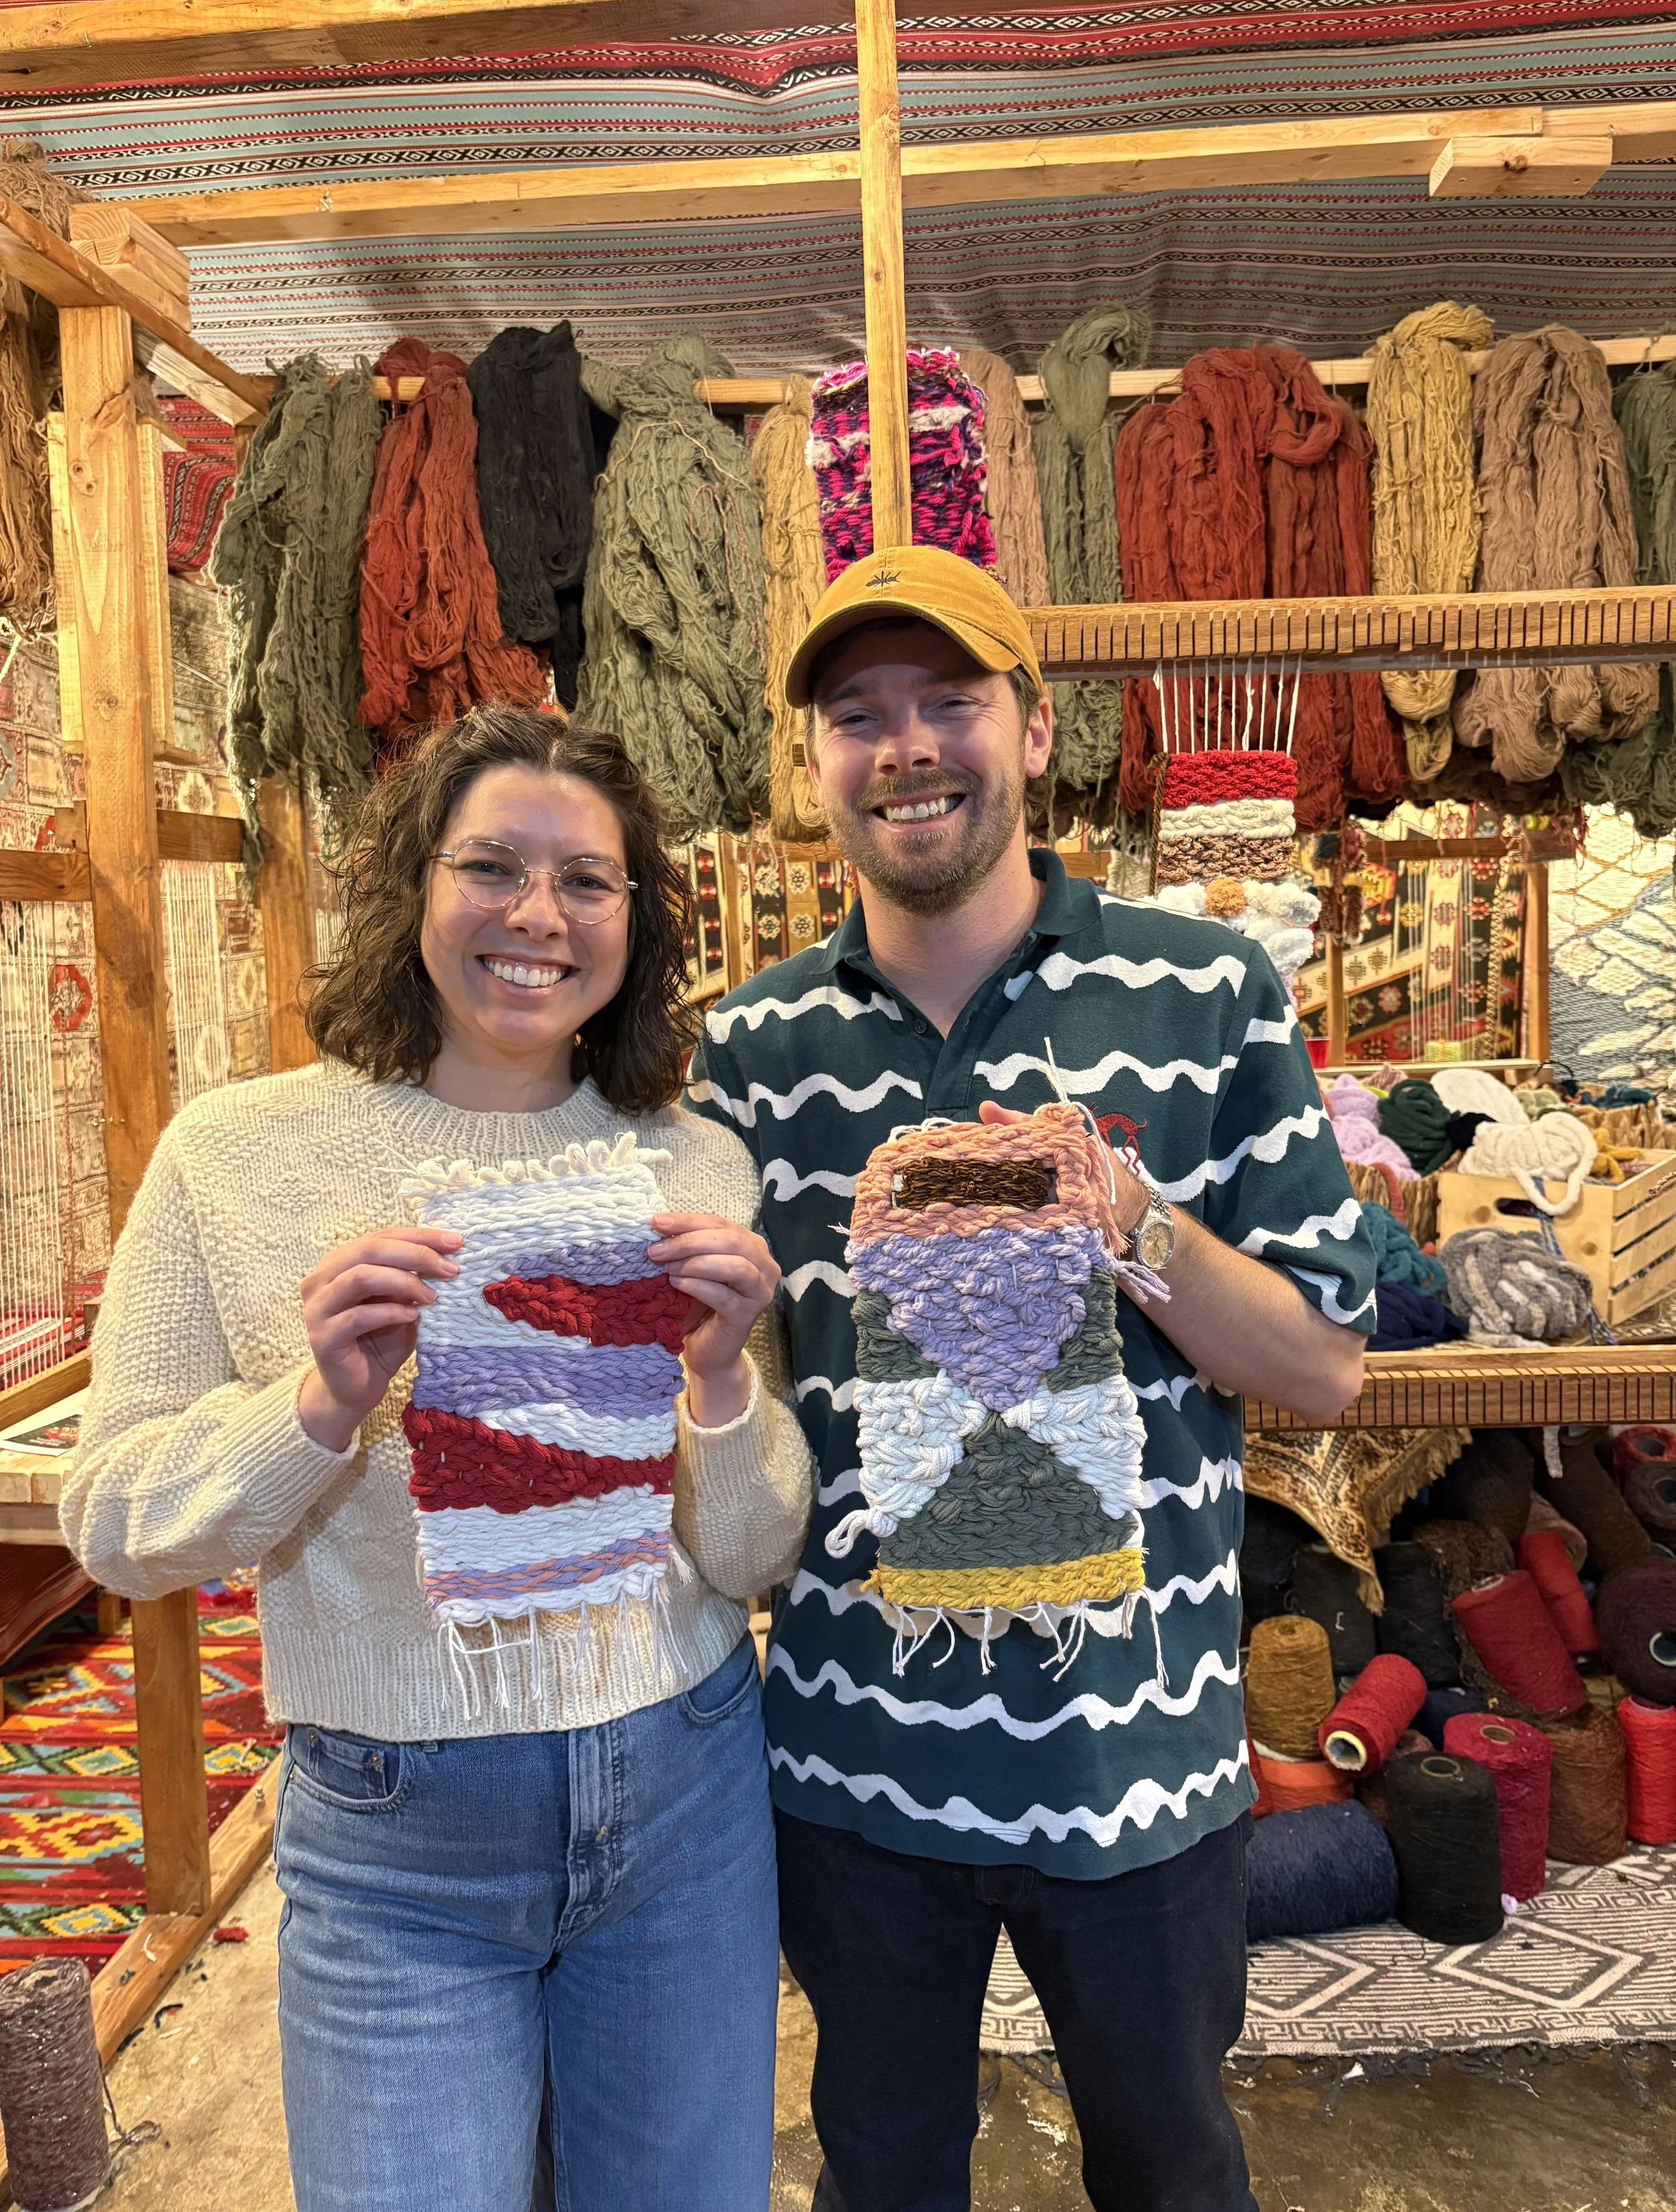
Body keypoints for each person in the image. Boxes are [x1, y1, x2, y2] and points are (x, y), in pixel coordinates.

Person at [687, 547, 1374, 2212]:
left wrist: (1134, 1221)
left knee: (1168, 2170)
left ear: (1034, 727)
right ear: (815, 767)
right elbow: (734, 1414)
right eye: (858, 716)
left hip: (1133, 1764)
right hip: (852, 1763)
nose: (906, 746)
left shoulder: (1203, 991)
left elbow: (1329, 1370)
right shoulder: (746, 1054)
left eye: (948, 703)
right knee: (885, 2170)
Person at [62, 706, 813, 2212]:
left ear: (636, 919)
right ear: (411, 887)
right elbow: (111, 1519)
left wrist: (721, 1385)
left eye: (586, 882)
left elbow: (750, 1554)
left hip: (683, 1797)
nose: (537, 915)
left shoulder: (692, 1163)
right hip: (399, 1840)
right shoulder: (236, 1155)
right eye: (491, 865)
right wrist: (317, 1407)